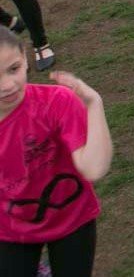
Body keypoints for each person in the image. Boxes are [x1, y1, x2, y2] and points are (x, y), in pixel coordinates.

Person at [0, 32, 113, 277]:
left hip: (72, 220)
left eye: (14, 68)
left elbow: (93, 168)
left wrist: (94, 104)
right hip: (9, 230)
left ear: (26, 59)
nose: (7, 85)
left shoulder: (55, 102)